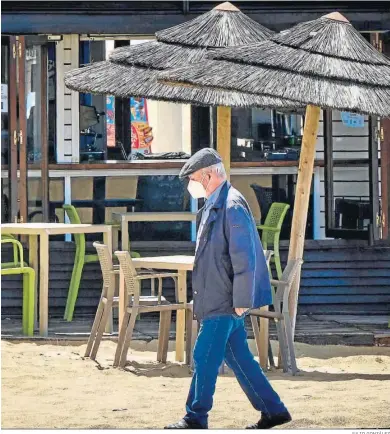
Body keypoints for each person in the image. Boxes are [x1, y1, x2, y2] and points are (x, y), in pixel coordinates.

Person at [165, 148, 291, 430]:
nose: (191, 185)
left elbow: (244, 257)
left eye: (194, 178)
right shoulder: (216, 201)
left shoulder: (231, 204)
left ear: (208, 175)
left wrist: (241, 301)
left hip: (224, 299)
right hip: (221, 296)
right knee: (239, 359)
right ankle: (273, 410)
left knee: (204, 356)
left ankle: (195, 417)